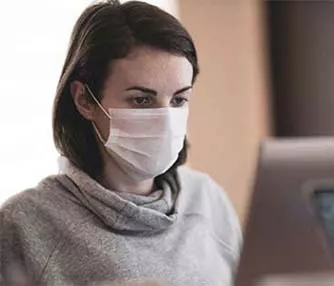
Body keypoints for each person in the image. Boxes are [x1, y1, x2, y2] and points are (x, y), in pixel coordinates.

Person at [0, 1, 242, 285]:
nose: (165, 119)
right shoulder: (26, 224)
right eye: (141, 100)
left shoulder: (208, 200)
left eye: (178, 100)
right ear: (84, 100)